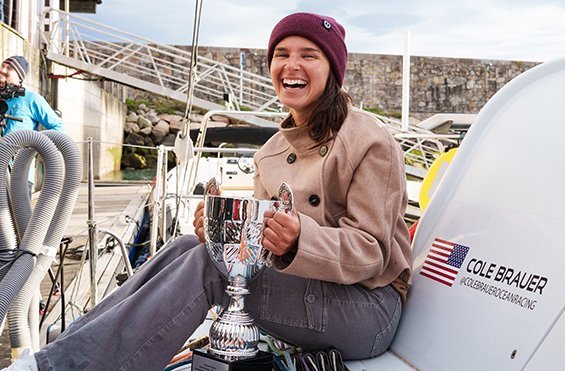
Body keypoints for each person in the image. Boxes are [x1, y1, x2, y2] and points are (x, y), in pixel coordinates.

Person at [7, 12, 412, 371]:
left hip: (366, 310)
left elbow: (372, 251)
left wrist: (299, 239)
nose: (292, 65)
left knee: (206, 268)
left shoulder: (368, 140)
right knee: (187, 246)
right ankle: (59, 354)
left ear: (332, 69)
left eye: (309, 55)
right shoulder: (272, 151)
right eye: (282, 54)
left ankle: (64, 369)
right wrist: (223, 234)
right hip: (308, 294)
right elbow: (254, 246)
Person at [0, 55, 63, 194]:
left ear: (20, 77)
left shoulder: (32, 99)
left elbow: (57, 128)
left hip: (19, 174)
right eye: (2, 66)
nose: (3, 69)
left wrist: (34, 141)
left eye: (9, 68)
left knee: (19, 215)